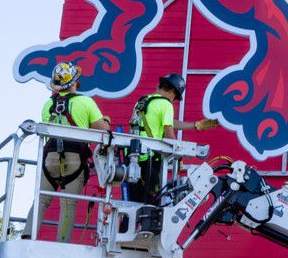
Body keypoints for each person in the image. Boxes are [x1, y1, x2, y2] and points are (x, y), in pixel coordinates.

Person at [30, 61, 110, 242]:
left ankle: (27, 236)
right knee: (68, 203)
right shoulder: (86, 102)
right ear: (75, 81)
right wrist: (106, 120)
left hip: (49, 159)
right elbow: (103, 130)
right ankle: (62, 243)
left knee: (41, 200)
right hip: (75, 159)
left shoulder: (47, 105)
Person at [126, 73, 218, 203]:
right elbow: (168, 130)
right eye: (175, 97)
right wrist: (178, 155)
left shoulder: (143, 101)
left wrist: (196, 125)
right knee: (151, 206)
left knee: (132, 204)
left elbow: (168, 122)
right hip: (150, 161)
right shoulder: (165, 104)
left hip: (133, 159)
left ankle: (125, 224)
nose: (173, 101)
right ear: (172, 91)